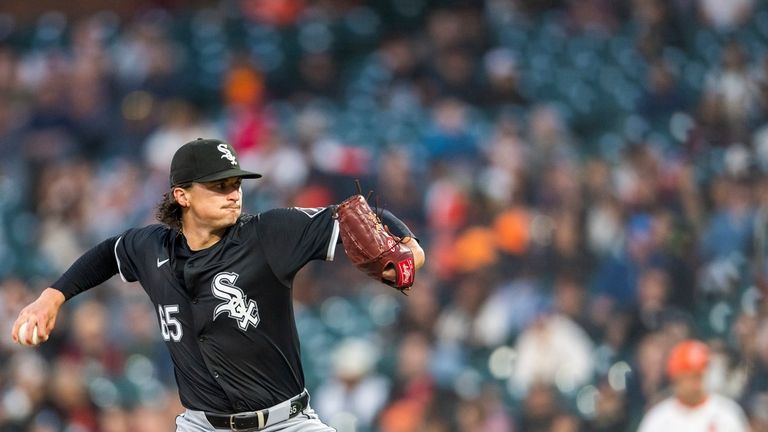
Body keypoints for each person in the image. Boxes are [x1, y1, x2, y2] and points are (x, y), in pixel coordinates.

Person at [11, 138, 425, 432]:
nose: (233, 194)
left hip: (285, 423)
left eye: (236, 183)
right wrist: (53, 297)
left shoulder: (268, 234)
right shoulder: (150, 247)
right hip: (201, 426)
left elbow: (352, 215)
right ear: (183, 195)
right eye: (219, 185)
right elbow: (107, 253)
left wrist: (409, 244)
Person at [637, 339, 750, 432]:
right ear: (676, 378)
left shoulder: (727, 413)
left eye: (699, 376)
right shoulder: (658, 419)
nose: (696, 384)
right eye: (689, 377)